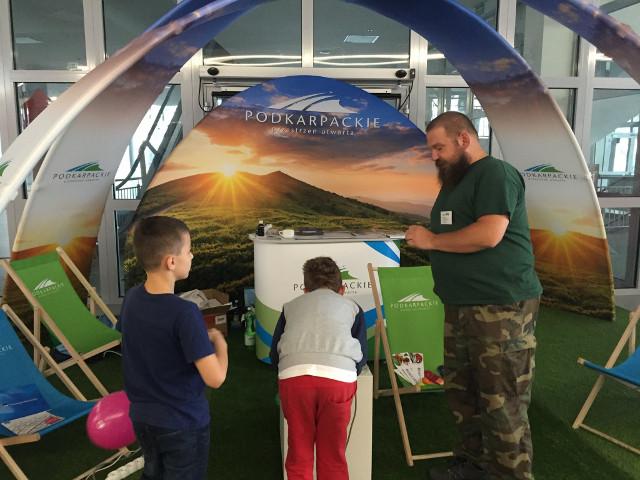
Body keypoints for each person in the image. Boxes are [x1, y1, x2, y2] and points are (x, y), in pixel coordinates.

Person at [405, 112, 542, 480]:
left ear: (464, 139)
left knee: (502, 402)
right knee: (463, 395)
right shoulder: (456, 181)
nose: (434, 155)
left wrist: (432, 241)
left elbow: (489, 233)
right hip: (461, 306)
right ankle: (473, 467)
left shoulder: (496, 173)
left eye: (439, 147)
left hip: (501, 307)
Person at [117, 216, 228, 480]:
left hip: (143, 419)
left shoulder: (132, 298)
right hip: (182, 422)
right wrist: (221, 345)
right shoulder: (185, 313)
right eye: (188, 250)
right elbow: (215, 378)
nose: (192, 255)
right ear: (171, 262)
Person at [269, 257, 368, 480]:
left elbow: (274, 355)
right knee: (333, 454)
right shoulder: (353, 307)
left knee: (299, 452)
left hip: (294, 380)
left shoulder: (290, 307)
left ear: (305, 290)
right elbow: (361, 356)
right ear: (342, 290)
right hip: (338, 381)